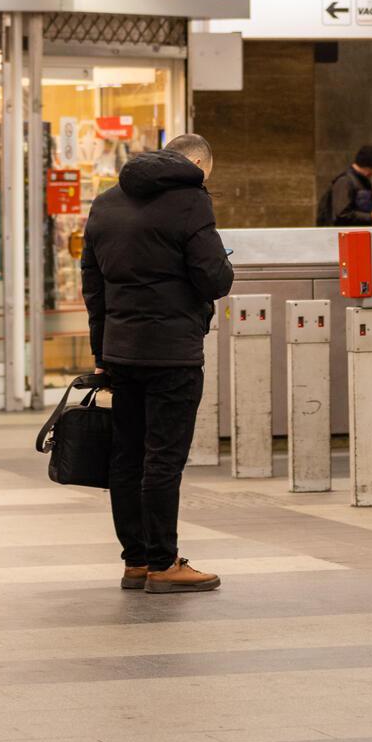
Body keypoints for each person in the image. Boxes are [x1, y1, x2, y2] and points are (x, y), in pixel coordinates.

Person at [81, 133, 234, 593]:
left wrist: (102, 351)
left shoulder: (106, 202)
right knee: (163, 458)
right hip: (172, 352)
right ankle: (164, 563)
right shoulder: (191, 200)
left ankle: (136, 561)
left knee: (126, 456)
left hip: (121, 350)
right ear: (200, 164)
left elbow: (93, 285)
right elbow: (213, 279)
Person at [320, 145, 372, 227]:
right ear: (364, 164)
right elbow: (342, 214)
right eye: (371, 168)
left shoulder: (363, 182)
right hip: (345, 235)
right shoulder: (345, 181)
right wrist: (370, 217)